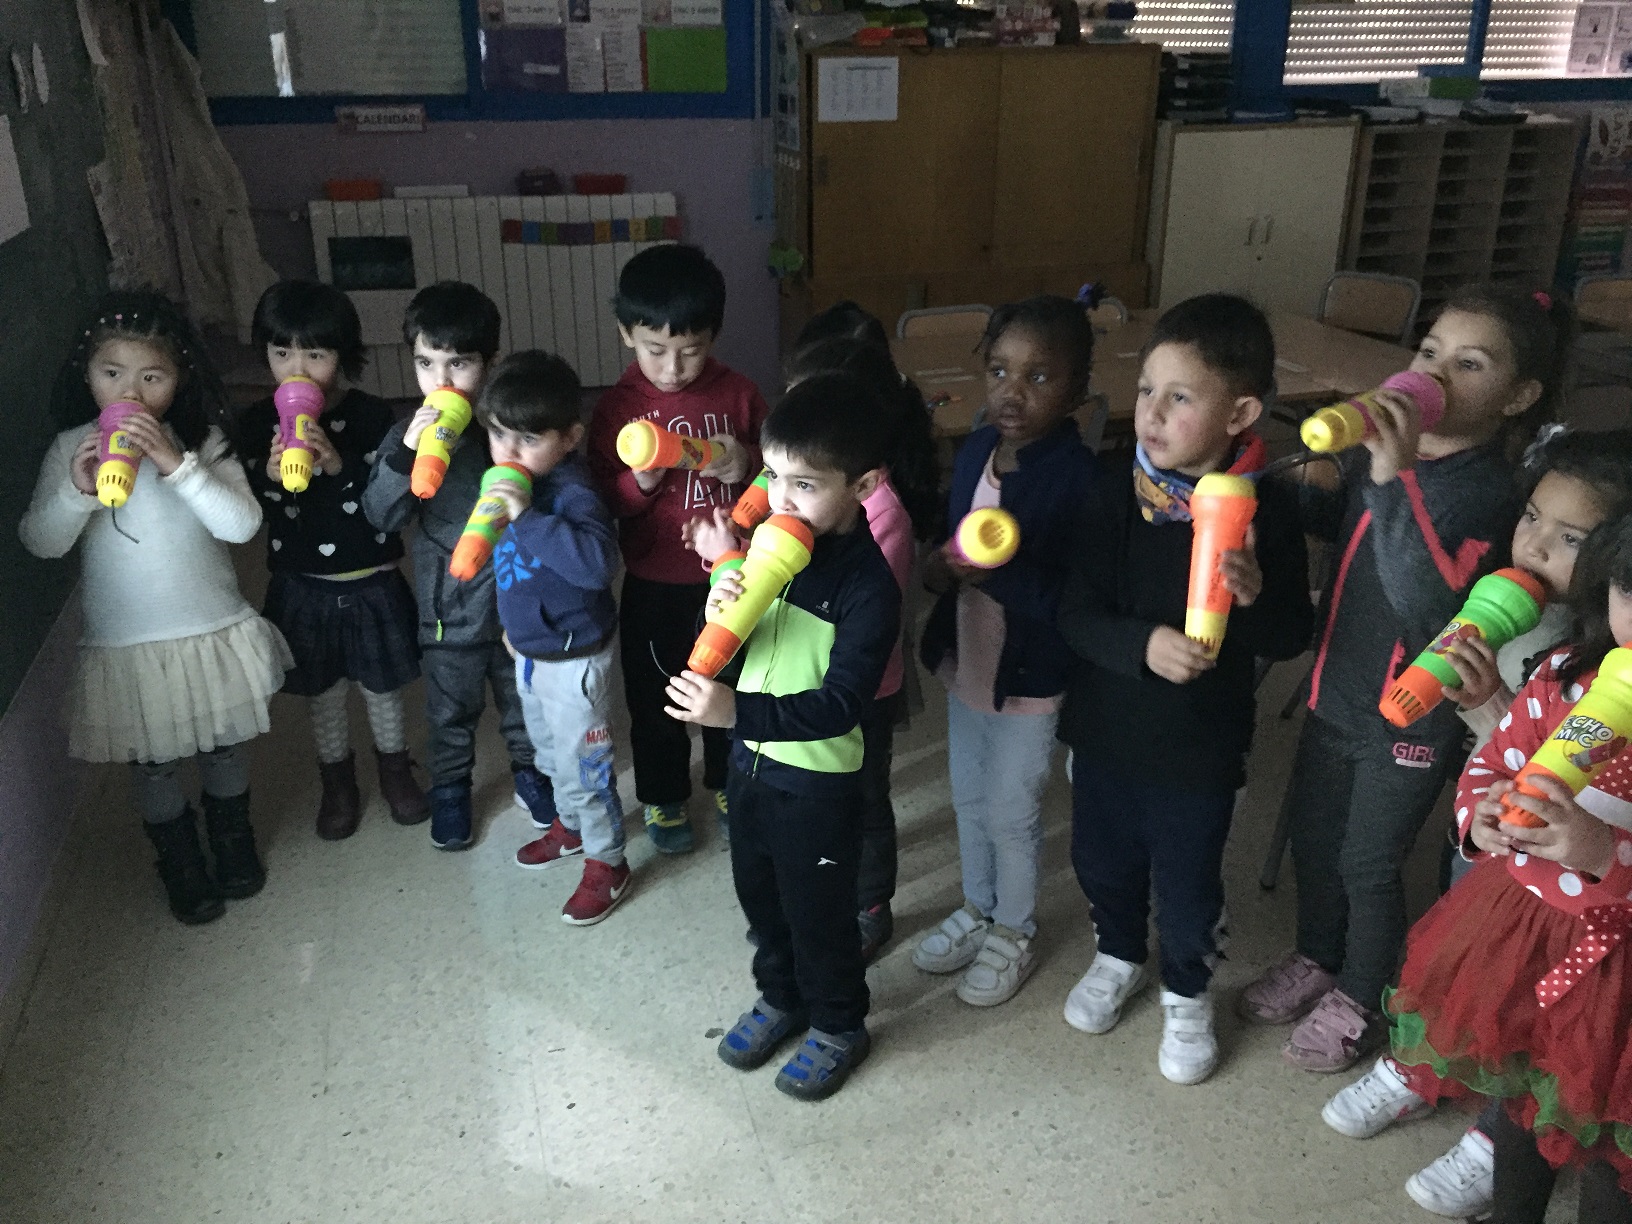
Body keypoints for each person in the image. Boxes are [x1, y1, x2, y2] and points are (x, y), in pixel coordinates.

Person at [1241, 286, 1574, 1073]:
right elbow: (1345, 529)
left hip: (1409, 719)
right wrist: (1282, 488)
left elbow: (1432, 610)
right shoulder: (1382, 457)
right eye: (1430, 352)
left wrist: (1390, 480)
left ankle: (1363, 997)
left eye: (1471, 363)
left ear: (1518, 396)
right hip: (1333, 691)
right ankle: (1319, 955)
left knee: (1367, 862)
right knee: (1316, 843)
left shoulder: (1490, 494)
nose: (1438, 373)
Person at [1332, 426, 1632, 1219]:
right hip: (1523, 929)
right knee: (1523, 1098)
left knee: (1611, 1149)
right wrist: (1485, 820)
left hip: (1618, 970)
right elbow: (1495, 763)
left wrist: (1606, 852)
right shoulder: (1563, 679)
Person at [1056, 294, 1313, 1084]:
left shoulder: (1268, 508)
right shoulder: (1112, 493)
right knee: (1101, 861)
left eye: (1179, 397)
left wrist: (1255, 593)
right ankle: (1119, 953)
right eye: (1146, 391)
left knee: (1189, 883)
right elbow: (1074, 612)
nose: (1152, 413)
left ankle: (1187, 990)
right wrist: (1141, 645)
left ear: (1240, 414)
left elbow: (1290, 635)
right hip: (1106, 730)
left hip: (1199, 748)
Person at [19, 290, 290, 924]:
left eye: (152, 377)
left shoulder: (202, 441)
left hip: (210, 630)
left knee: (223, 747)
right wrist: (77, 492)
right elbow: (40, 542)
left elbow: (242, 525)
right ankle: (180, 860)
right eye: (112, 373)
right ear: (86, 374)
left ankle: (232, 838)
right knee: (155, 763)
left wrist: (178, 464)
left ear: (179, 380)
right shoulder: (70, 447)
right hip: (128, 646)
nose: (130, 392)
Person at [665, 372, 901, 1101]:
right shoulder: (768, 544)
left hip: (817, 786)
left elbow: (840, 706)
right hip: (751, 772)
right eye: (771, 476)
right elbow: (737, 650)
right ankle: (781, 996)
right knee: (760, 899)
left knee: (818, 915)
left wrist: (736, 715)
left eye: (804, 484)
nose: (780, 498)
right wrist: (721, 592)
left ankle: (838, 1023)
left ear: (864, 485)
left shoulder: (868, 588)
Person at [913, 296, 1098, 1007]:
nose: (1012, 392)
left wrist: (996, 574)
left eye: (1039, 377)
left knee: (1010, 812)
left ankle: (1014, 928)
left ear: (1078, 392)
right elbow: (950, 548)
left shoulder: (1078, 478)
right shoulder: (975, 452)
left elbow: (1072, 601)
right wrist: (939, 570)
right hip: (968, 663)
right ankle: (979, 904)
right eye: (999, 371)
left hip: (1029, 680)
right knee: (968, 797)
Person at [587, 244, 769, 855]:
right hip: (654, 581)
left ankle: (728, 782)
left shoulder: (739, 395)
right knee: (658, 695)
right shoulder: (619, 408)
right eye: (654, 350)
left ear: (713, 335)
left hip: (733, 579)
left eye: (690, 351)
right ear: (626, 334)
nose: (671, 369)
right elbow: (604, 499)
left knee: (730, 684)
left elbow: (781, 475)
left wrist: (746, 463)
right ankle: (664, 794)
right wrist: (638, 482)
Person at [361, 282, 550, 850]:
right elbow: (381, 515)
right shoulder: (406, 436)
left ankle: (531, 774)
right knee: (449, 710)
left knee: (522, 701)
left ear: (490, 363)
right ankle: (449, 789)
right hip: (449, 609)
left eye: (459, 364)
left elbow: (550, 494)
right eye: (426, 363)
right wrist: (407, 455)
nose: (441, 381)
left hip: (516, 601)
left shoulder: (510, 427)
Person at [236, 280, 426, 838]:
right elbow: (250, 514)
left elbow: (382, 507)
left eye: (315, 355)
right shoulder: (256, 424)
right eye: (281, 353)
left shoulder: (371, 417)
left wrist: (341, 466)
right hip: (303, 584)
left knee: (382, 689)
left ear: (344, 355)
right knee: (323, 692)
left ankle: (395, 771)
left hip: (371, 580)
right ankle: (337, 783)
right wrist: (272, 477)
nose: (297, 369)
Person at [477, 352, 627, 924]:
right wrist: (512, 626)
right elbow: (509, 567)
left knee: (585, 765)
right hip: (530, 649)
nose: (509, 452)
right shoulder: (509, 484)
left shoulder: (571, 493)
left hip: (575, 656)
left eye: (528, 439)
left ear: (569, 438)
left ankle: (608, 860)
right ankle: (570, 827)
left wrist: (528, 517)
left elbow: (596, 566)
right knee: (547, 752)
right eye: (498, 435)